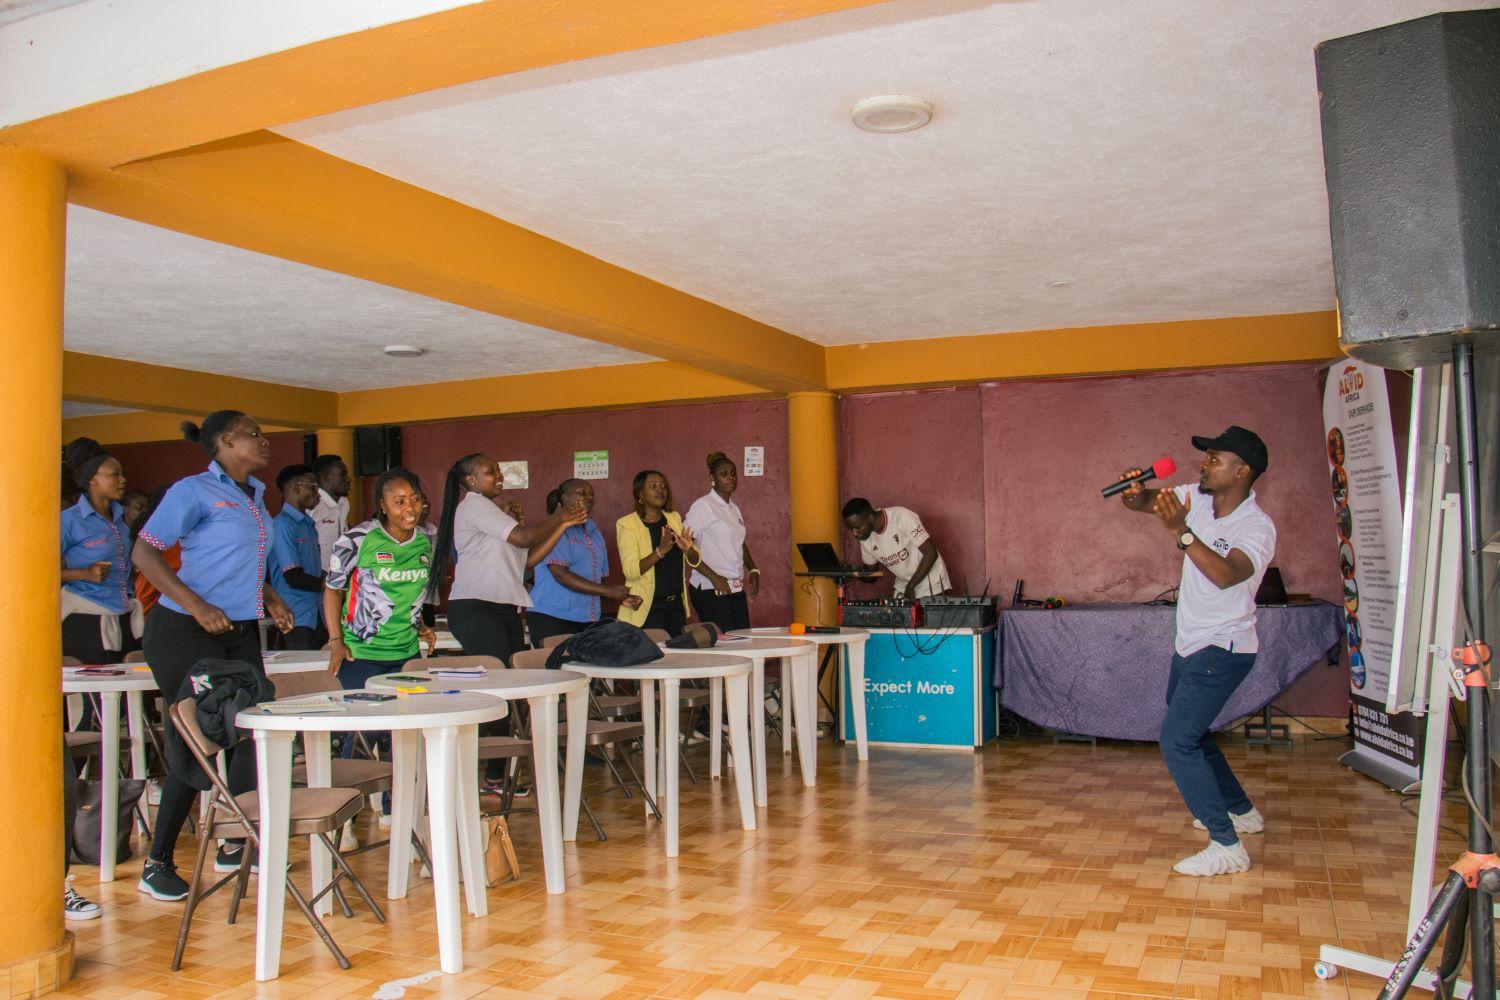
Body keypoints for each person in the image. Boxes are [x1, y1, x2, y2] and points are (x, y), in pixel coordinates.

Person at [132, 411, 295, 901]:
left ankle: (235, 841)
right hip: (184, 631)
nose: (264, 441)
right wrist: (197, 606)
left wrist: (269, 596)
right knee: (198, 741)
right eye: (254, 434)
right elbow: (144, 554)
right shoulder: (193, 491)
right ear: (225, 441)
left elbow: (239, 562)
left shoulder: (254, 496)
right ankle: (157, 862)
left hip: (237, 630)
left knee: (247, 735)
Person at [1118, 425, 1276, 877]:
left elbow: (1228, 574)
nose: (1204, 465)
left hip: (1224, 646)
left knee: (1177, 738)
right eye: (1206, 458)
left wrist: (1182, 533)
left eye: (1214, 459)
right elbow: (1146, 503)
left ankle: (1226, 846)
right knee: (1194, 733)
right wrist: (1135, 494)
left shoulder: (1256, 526)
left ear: (1242, 471)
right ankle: (1241, 812)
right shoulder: (1196, 499)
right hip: (1190, 643)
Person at [427, 453, 584, 667]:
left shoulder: (492, 511)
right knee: (498, 674)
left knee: (514, 674)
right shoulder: (474, 504)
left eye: (499, 470)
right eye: (491, 472)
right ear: (472, 480)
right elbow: (524, 537)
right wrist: (559, 516)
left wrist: (563, 524)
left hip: (504, 608)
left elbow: (528, 561)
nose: (499, 475)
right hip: (477, 608)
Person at [324, 468, 437, 697]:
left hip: (407, 653)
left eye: (415, 499)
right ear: (383, 505)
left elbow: (408, 592)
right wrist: (336, 642)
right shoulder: (357, 540)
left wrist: (420, 625)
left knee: (410, 715)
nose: (410, 508)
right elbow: (332, 591)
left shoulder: (424, 542)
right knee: (365, 718)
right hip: (360, 653)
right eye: (399, 502)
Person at [527, 479, 642, 646]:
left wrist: (618, 597)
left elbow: (598, 580)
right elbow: (560, 573)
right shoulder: (554, 527)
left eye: (591, 495)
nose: (589, 497)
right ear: (564, 497)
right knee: (558, 663)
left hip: (587, 617)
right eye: (582, 493)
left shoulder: (594, 532)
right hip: (553, 616)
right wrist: (608, 591)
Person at [60, 438, 135, 667]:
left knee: (126, 683)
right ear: (93, 480)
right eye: (114, 475)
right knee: (93, 685)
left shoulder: (123, 518)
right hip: (85, 617)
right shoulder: (69, 521)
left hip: (124, 614)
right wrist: (84, 573)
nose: (123, 480)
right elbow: (36, 572)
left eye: (122, 474)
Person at [616, 470, 698, 637]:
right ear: (640, 493)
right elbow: (631, 572)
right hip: (647, 608)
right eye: (653, 486)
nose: (660, 490)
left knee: (676, 653)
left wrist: (688, 549)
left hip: (676, 607)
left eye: (663, 486)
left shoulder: (673, 518)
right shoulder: (627, 524)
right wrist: (660, 551)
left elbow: (694, 559)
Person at [683, 452, 758, 632]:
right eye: (724, 474)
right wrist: (714, 577)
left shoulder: (733, 508)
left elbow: (739, 542)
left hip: (734, 586)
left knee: (743, 638)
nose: (730, 477)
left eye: (733, 473)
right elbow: (686, 548)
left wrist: (753, 569)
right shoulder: (704, 506)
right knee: (726, 643)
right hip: (709, 587)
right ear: (712, 478)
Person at [840, 498, 952, 600]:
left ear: (870, 517)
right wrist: (853, 571)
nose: (855, 533)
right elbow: (871, 574)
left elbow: (931, 553)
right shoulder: (865, 538)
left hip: (930, 583)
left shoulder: (901, 517)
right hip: (904, 586)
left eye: (858, 527)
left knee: (930, 616)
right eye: (851, 529)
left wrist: (911, 586)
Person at [269, 464, 326, 650]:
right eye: (313, 487)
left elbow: (312, 570)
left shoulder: (307, 525)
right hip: (295, 615)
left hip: (317, 613)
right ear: (294, 488)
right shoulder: (282, 525)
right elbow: (293, 576)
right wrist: (329, 584)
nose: (318, 494)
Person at [311, 453, 352, 572]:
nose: (348, 479)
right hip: (319, 576)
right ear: (325, 479)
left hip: (340, 573)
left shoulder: (344, 503)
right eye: (342, 475)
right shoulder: (314, 505)